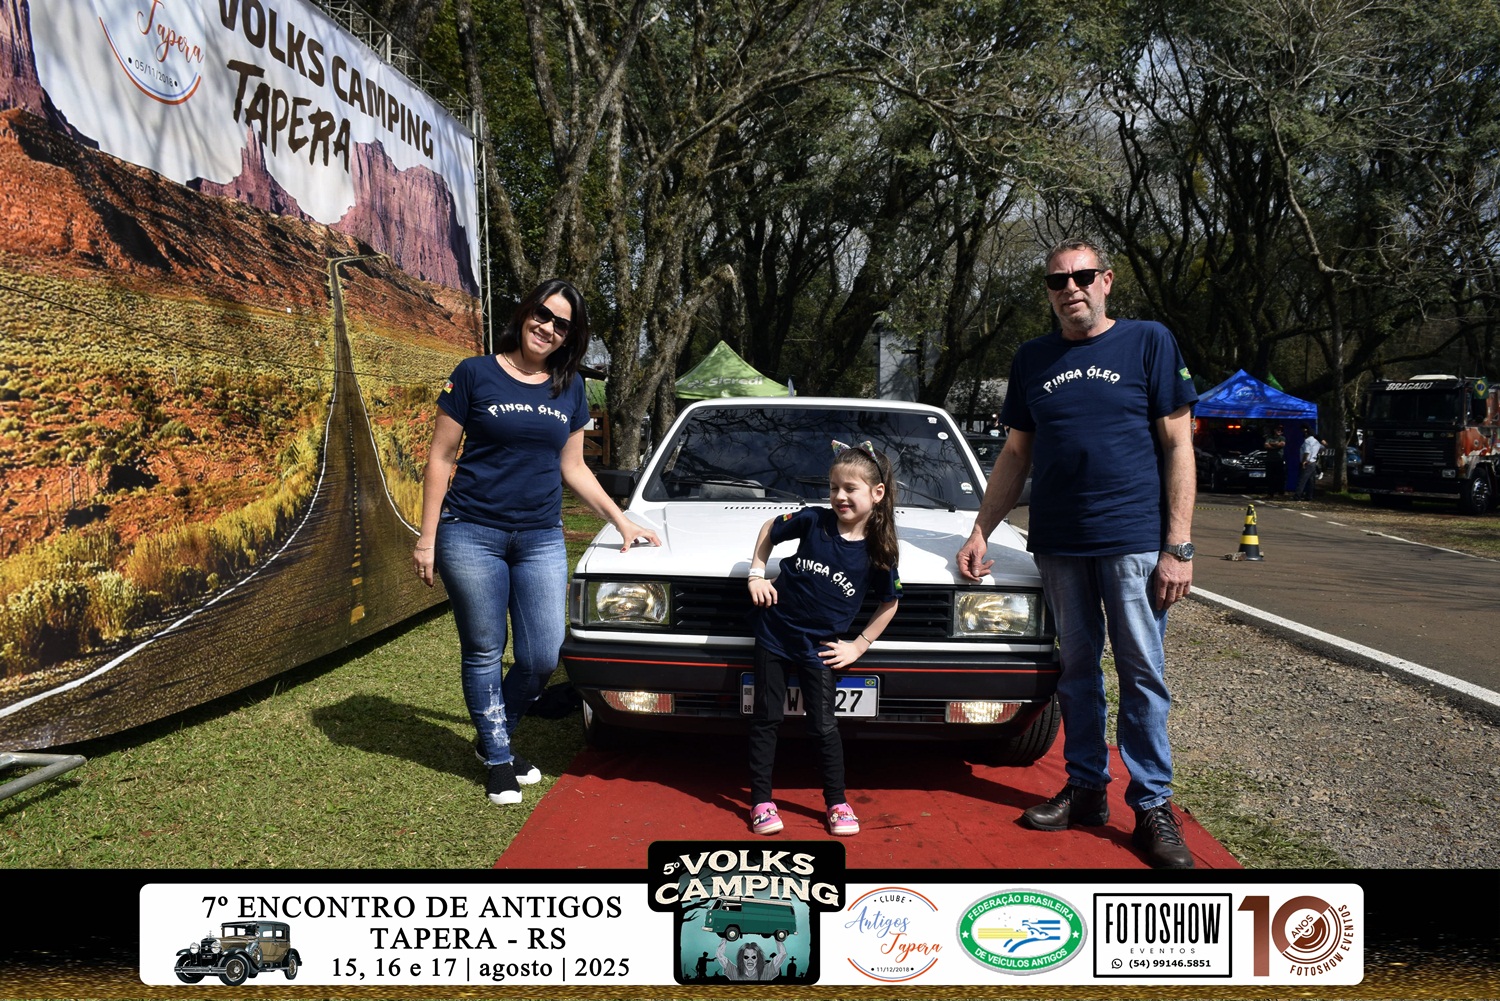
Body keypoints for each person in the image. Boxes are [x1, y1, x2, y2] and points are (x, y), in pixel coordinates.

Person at [955, 238, 1198, 869]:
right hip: (1060, 544)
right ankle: (1087, 788)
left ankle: (1152, 805)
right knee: (1077, 673)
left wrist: (1179, 545)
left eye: (1083, 276)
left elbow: (1178, 446)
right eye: (1058, 281)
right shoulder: (1032, 357)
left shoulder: (1148, 341)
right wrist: (981, 530)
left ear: (1106, 280)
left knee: (1142, 674)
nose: (1071, 289)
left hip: (1134, 542)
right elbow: (1016, 455)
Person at [413, 279, 660, 807]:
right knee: (484, 650)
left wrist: (622, 520)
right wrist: (427, 538)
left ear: (571, 336)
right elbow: (441, 457)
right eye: (542, 315)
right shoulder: (474, 373)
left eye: (561, 325)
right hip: (470, 531)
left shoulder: (569, 388)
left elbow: (575, 467)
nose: (547, 328)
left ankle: (492, 737)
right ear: (526, 312)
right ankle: (499, 759)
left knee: (543, 655)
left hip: (541, 537)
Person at [745, 442, 902, 838]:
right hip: (774, 634)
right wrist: (756, 573)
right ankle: (761, 801)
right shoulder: (814, 520)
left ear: (877, 493)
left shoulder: (879, 549)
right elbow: (770, 528)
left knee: (823, 726)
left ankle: (837, 802)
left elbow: (890, 602)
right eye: (834, 487)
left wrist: (859, 645)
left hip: (821, 649)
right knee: (767, 718)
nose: (839, 496)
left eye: (850, 488)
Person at [716, 937, 787, 981]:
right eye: (746, 957)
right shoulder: (734, 973)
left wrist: (777, 936)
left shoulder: (765, 972)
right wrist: (725, 936)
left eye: (753, 957)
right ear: (741, 959)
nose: (750, 960)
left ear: (758, 959)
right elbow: (719, 954)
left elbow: (783, 954)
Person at [1296, 425, 1323, 501]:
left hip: (1307, 462)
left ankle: (1297, 496)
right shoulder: (1316, 441)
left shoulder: (1307, 441)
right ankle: (1309, 496)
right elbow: (1322, 448)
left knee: (1302, 480)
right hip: (1313, 462)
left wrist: (1304, 461)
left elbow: (1307, 452)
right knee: (1311, 481)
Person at [1264, 424, 1287, 497]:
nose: (1279, 431)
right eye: (1278, 430)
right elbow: (1266, 445)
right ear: (1274, 430)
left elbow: (1282, 444)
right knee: (1270, 477)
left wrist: (1272, 445)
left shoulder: (1282, 438)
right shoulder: (1269, 438)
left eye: (1281, 430)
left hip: (1279, 459)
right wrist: (1276, 445)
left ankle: (1281, 492)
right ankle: (1270, 492)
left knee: (1280, 477)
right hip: (1270, 460)